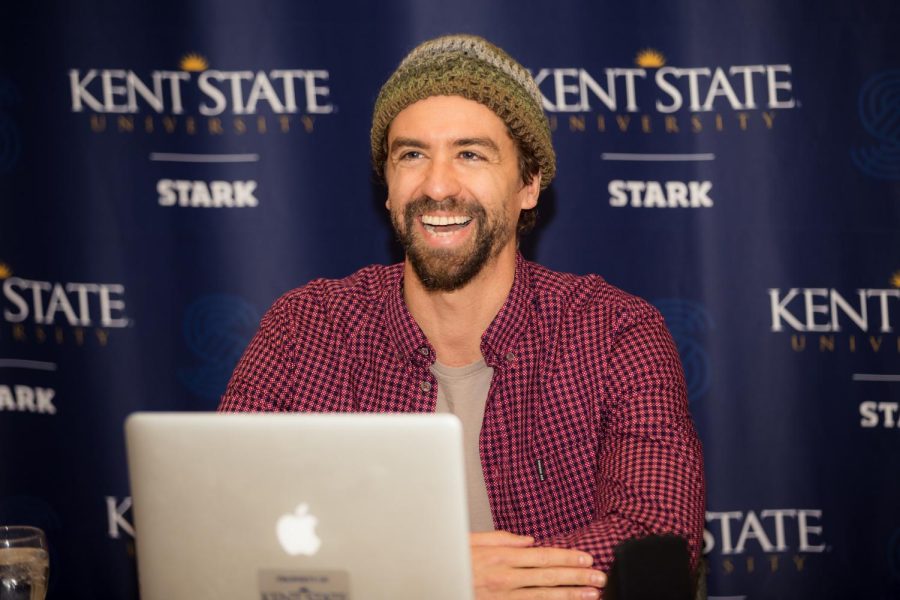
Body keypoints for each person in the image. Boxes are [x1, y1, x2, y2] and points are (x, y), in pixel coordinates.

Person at [220, 34, 705, 599]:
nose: (438, 185)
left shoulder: (614, 332)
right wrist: (433, 574)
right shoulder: (306, 329)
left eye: (470, 154)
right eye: (412, 155)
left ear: (528, 185)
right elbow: (229, 523)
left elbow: (654, 536)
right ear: (387, 186)